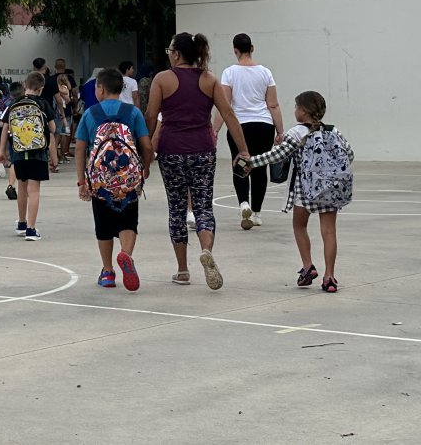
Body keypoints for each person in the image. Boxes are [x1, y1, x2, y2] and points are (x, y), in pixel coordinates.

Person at [145, 33, 251, 290]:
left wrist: (144, 151)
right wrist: (244, 151)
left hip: (171, 151)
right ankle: (207, 251)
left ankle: (182, 270)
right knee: (203, 205)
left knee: (177, 209)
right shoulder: (210, 79)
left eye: (170, 49)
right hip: (203, 150)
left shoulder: (163, 79)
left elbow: (150, 116)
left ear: (177, 54)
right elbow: (229, 115)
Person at [239, 91, 352, 293]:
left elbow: (277, 155)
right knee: (329, 232)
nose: (295, 111)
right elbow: (349, 154)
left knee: (299, 226)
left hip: (305, 189)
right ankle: (330, 277)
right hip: (329, 189)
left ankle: (308, 267)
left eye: (296, 107)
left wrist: (251, 162)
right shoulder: (334, 131)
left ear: (303, 111)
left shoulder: (297, 132)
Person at [75, 68, 154, 291]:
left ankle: (108, 272)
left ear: (100, 88)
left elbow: (80, 149)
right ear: (121, 89)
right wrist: (144, 169)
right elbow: (146, 145)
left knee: (103, 225)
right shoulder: (133, 113)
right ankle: (126, 255)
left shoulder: (91, 114)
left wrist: (82, 182)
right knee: (128, 221)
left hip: (100, 182)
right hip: (127, 179)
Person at [212, 33, 283, 231]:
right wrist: (280, 131)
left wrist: (214, 130)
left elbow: (224, 105)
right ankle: (257, 213)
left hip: (239, 125)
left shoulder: (229, 73)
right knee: (260, 168)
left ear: (235, 50)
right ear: (252, 48)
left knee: (240, 163)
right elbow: (274, 105)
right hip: (263, 125)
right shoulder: (265, 72)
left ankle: (244, 204)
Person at [0, 71, 56, 241]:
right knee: (34, 189)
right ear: (41, 89)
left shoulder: (14, 104)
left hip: (18, 153)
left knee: (22, 187)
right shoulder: (43, 104)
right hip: (37, 153)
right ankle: (31, 229)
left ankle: (22, 223)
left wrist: (2, 151)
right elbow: (53, 128)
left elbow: (5, 127)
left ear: (25, 85)